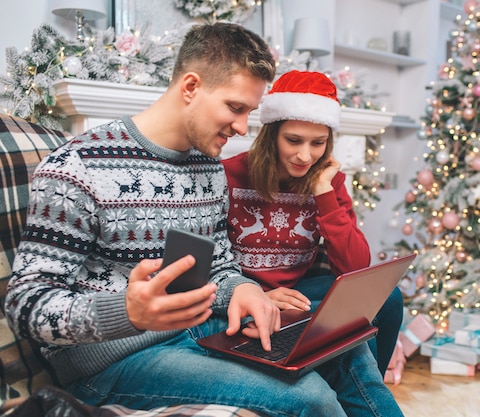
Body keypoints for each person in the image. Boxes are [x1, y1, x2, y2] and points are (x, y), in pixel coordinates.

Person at [4, 23, 403, 417]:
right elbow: (24, 305)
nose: (244, 127)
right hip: (115, 359)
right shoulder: (77, 167)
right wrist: (127, 313)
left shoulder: (208, 169)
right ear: (191, 87)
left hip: (202, 329)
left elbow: (222, 267)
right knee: (310, 398)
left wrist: (245, 290)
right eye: (235, 108)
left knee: (343, 351)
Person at [222, 70, 404, 375]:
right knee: (355, 335)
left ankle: (374, 387)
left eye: (317, 143)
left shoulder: (330, 182)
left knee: (387, 298)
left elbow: (355, 269)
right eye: (293, 140)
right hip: (246, 294)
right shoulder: (229, 174)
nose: (305, 156)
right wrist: (256, 294)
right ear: (271, 136)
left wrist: (323, 191)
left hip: (299, 290)